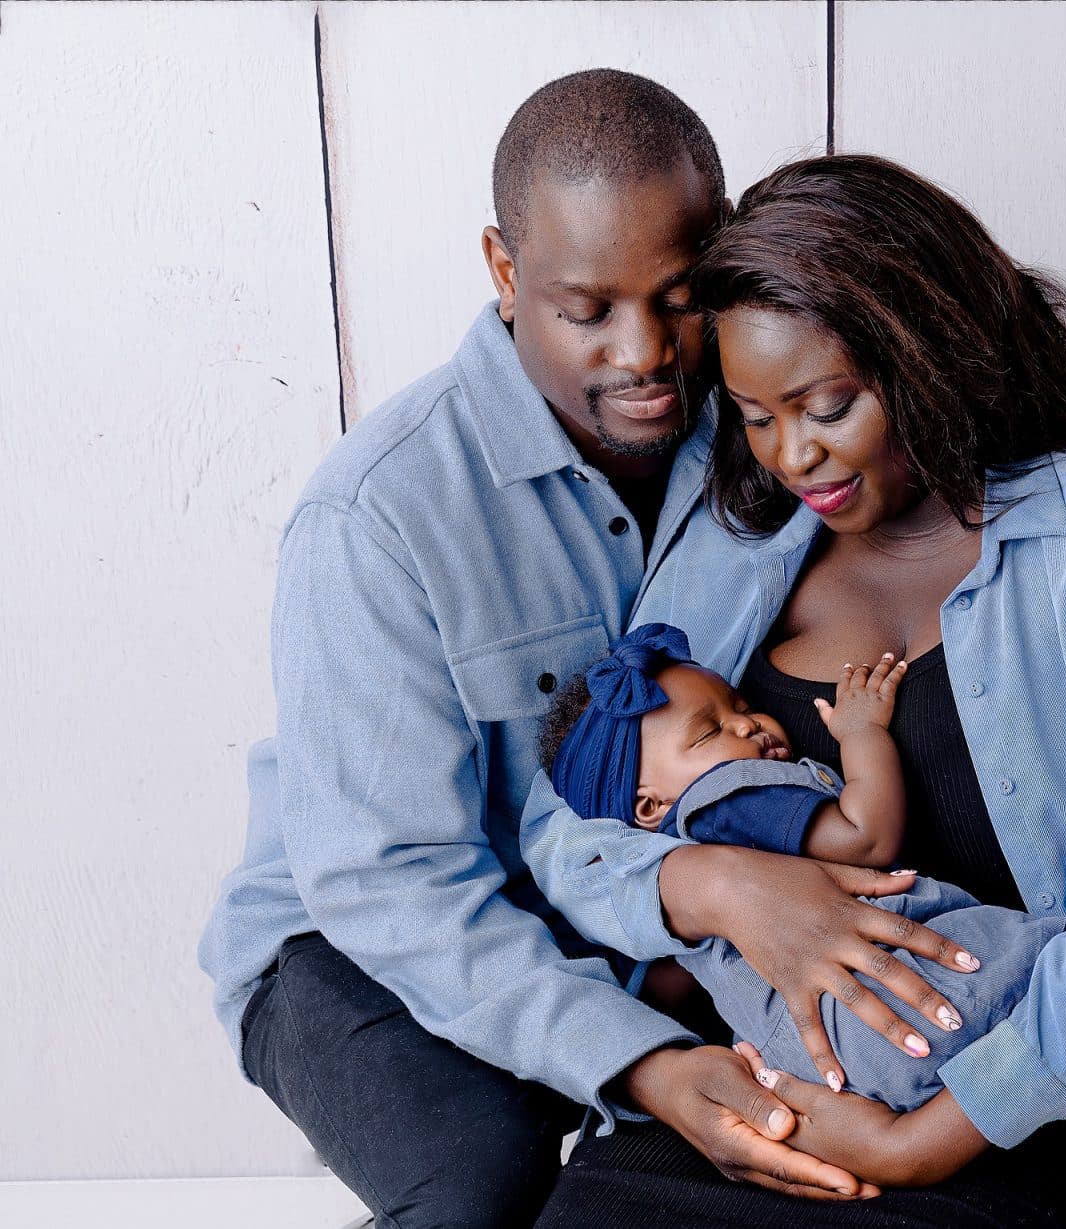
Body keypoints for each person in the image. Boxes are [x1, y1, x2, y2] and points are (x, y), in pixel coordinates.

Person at [198, 76, 955, 1227]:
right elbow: (389, 882)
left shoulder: (769, 428)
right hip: (364, 942)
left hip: (649, 921)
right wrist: (643, 1060)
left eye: (678, 297)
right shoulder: (377, 515)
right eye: (586, 309)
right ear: (505, 273)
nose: (645, 353)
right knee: (479, 1183)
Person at [522, 155, 1066, 1226]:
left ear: (928, 352)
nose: (791, 454)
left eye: (827, 405)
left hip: (1054, 1100)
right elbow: (568, 823)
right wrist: (717, 886)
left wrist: (920, 1140)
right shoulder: (740, 529)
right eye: (754, 415)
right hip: (791, 1082)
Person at [542, 621, 1066, 1179]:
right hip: (909, 992)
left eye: (736, 705)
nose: (746, 724)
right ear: (649, 806)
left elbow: (673, 980)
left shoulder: (671, 882)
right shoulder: (727, 800)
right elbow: (866, 836)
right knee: (1051, 964)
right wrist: (862, 735)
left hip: (842, 1065)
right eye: (710, 731)